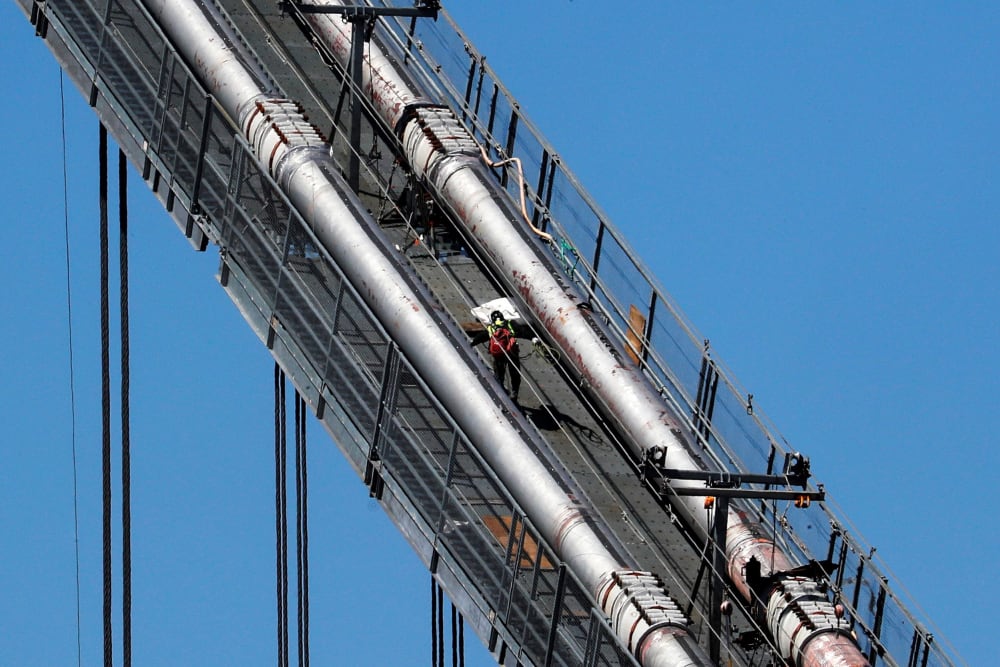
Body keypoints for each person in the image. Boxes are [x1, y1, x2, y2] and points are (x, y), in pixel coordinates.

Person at [474, 310, 523, 402]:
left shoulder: (491, 328)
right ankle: (514, 392)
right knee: (515, 374)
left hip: (498, 355)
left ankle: (499, 392)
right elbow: (522, 331)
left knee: (499, 374)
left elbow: (482, 336)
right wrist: (533, 338)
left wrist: (472, 343)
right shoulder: (510, 324)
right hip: (512, 353)